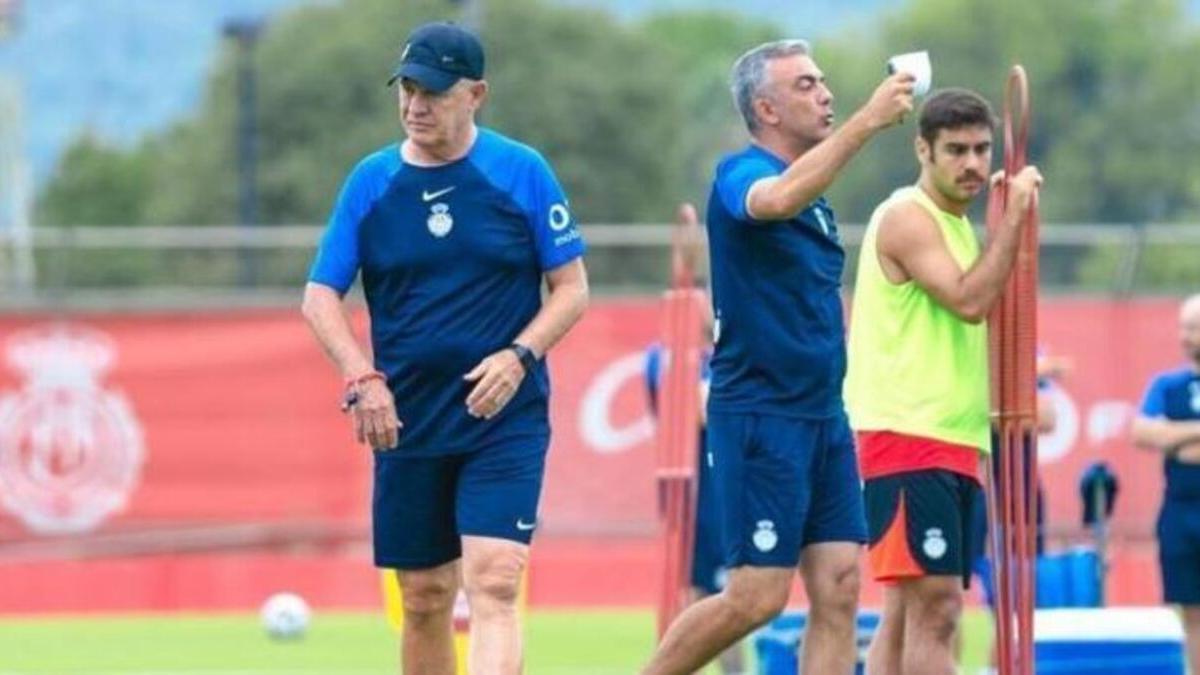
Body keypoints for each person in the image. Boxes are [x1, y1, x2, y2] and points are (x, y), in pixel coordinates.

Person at [301, 21, 588, 675]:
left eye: (432, 91)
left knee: (493, 580)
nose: (414, 105)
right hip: (407, 420)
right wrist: (361, 377)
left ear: (476, 94)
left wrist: (521, 355)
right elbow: (320, 296)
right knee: (425, 597)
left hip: (502, 418)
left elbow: (571, 287)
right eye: (405, 89)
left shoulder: (521, 171)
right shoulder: (371, 182)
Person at [641, 39, 915, 675]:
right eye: (806, 85)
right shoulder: (740, 175)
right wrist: (869, 120)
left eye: (822, 81)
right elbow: (774, 200)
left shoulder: (815, 199)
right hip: (763, 414)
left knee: (842, 587)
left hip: (824, 415)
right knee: (756, 598)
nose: (825, 93)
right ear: (765, 108)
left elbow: (799, 197)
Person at [842, 88, 1042, 675]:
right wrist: (1013, 219)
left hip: (952, 441)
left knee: (907, 615)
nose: (973, 164)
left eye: (982, 149)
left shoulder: (959, 227)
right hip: (908, 435)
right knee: (941, 615)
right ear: (922, 150)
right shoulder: (909, 216)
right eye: (956, 150)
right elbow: (970, 300)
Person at [644, 204, 747, 675]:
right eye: (704, 300)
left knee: (734, 599)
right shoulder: (665, 357)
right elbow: (692, 413)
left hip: (728, 490)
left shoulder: (727, 358)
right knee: (689, 594)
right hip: (689, 493)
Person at [1132, 294, 1200, 675]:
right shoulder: (1167, 385)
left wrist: (1173, 436)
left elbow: (1169, 440)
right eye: (1183, 327)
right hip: (1180, 510)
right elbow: (1142, 432)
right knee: (1191, 607)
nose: (1186, 336)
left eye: (1194, 328)